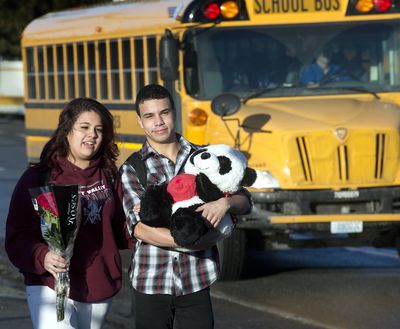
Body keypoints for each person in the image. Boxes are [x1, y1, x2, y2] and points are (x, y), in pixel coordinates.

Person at [119, 84, 252, 329]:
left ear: (174, 113)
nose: (158, 121)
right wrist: (194, 240)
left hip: (196, 280)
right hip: (150, 283)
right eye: (149, 116)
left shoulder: (203, 157)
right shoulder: (133, 168)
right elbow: (140, 230)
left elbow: (245, 201)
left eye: (164, 112)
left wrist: (225, 202)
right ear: (140, 121)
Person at [5, 98, 132, 329]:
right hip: (49, 283)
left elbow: (122, 231)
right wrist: (42, 256)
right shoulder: (39, 178)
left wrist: (145, 221)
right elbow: (17, 234)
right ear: (67, 131)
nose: (92, 135)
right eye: (84, 127)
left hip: (97, 283)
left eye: (99, 130)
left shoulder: (110, 176)